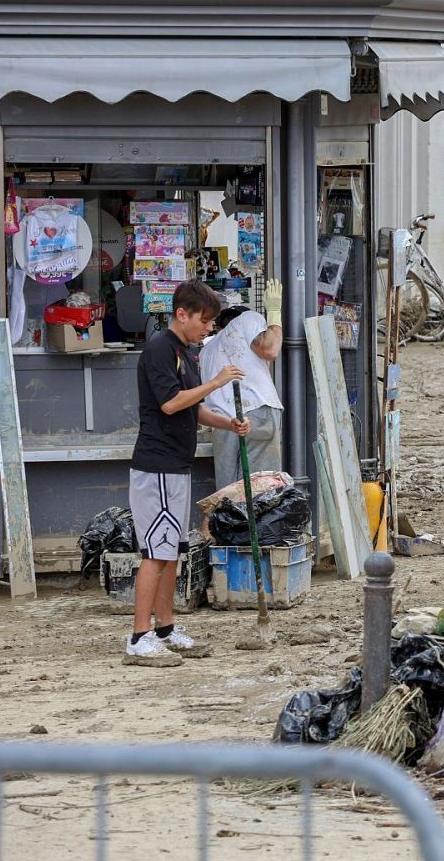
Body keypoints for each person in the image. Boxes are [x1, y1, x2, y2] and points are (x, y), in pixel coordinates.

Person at [125, 279, 250, 667]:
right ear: (183, 314)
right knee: (155, 552)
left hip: (177, 464)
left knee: (171, 550)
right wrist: (215, 383)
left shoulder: (185, 351)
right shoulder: (161, 349)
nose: (209, 328)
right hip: (156, 464)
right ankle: (139, 636)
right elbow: (170, 404)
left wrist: (227, 423)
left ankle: (165, 628)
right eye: (206, 320)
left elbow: (193, 409)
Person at [200, 281, 284, 491]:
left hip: (222, 423)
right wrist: (274, 313)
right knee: (262, 490)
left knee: (229, 494)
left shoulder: (206, 351)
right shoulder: (249, 318)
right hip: (256, 412)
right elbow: (270, 349)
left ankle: (231, 525)